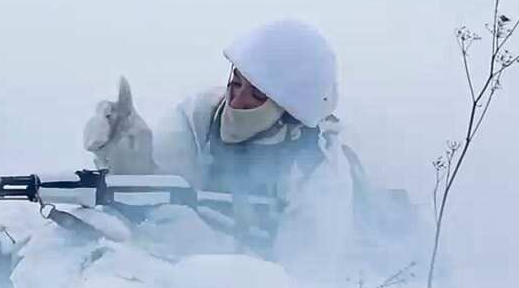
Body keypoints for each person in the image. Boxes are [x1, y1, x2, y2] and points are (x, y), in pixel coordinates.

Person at [82, 19, 357, 261]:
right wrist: (127, 158)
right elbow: (158, 188)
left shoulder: (318, 172)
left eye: (257, 96)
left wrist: (206, 248)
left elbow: (303, 284)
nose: (236, 101)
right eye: (236, 83)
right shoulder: (201, 116)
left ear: (290, 111)